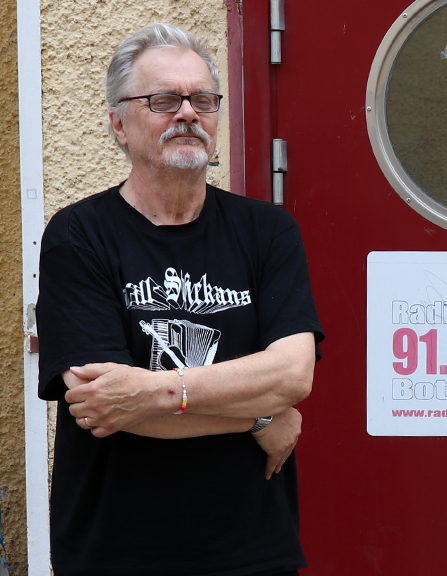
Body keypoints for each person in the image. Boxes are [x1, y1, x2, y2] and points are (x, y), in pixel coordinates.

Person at [36, 23, 324, 576]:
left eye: (203, 99)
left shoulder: (268, 231)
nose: (188, 113)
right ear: (119, 125)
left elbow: (292, 374)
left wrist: (150, 390)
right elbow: (107, 408)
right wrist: (258, 417)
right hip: (116, 549)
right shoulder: (79, 235)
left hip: (251, 548)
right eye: (164, 100)